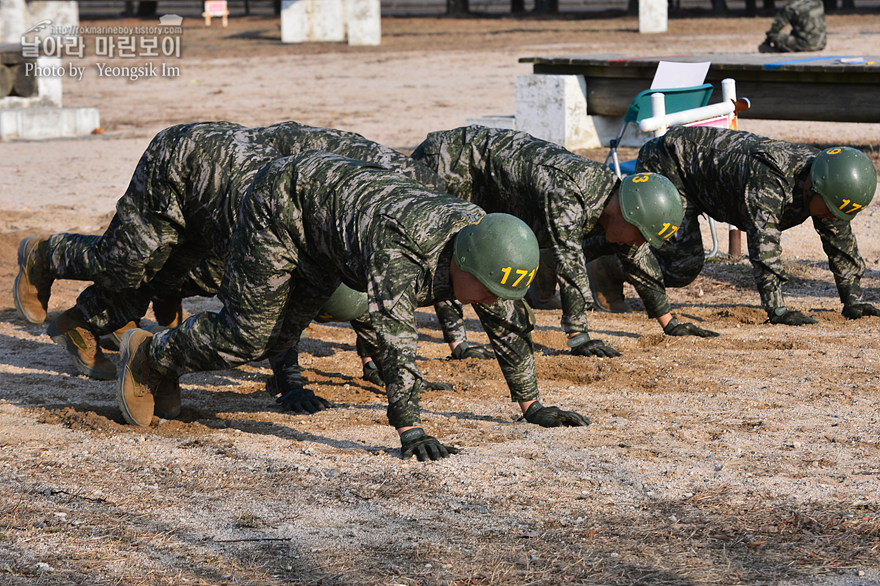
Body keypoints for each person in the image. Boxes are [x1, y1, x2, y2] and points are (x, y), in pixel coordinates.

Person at [118, 151, 591, 461]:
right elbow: (395, 341)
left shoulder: (484, 241)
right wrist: (411, 429)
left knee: (282, 335)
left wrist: (532, 404)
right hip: (283, 204)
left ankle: (169, 360)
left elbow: (507, 323)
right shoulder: (403, 251)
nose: (489, 302)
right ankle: (148, 355)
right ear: (461, 261)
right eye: (484, 290)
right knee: (250, 335)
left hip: (330, 229)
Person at [13, 121, 491, 383]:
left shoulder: (395, 211)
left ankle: (84, 322)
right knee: (126, 261)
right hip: (193, 167)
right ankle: (45, 255)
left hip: (239, 198)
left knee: (173, 272)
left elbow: (369, 293)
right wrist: (289, 373)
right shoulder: (361, 208)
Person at [410, 125, 700, 360]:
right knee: (454, 253)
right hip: (449, 162)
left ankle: (458, 344)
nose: (638, 242)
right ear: (628, 215)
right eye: (639, 234)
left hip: (486, 178)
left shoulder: (614, 203)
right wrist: (579, 336)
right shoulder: (568, 192)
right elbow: (568, 261)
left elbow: (638, 257)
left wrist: (668, 321)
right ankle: (457, 344)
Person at [630, 126, 878, 325]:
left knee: (682, 266)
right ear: (813, 188)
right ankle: (612, 263)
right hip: (670, 162)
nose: (831, 218)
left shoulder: (828, 179)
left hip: (705, 178)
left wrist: (852, 300)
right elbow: (763, 247)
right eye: (828, 210)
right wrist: (777, 310)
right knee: (682, 266)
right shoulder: (770, 181)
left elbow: (840, 239)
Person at [758, 0, 826, 53]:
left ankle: (773, 48)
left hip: (806, 44)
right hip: (821, 43)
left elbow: (774, 29)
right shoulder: (818, 2)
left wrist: (767, 40)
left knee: (775, 36)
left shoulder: (791, 6)